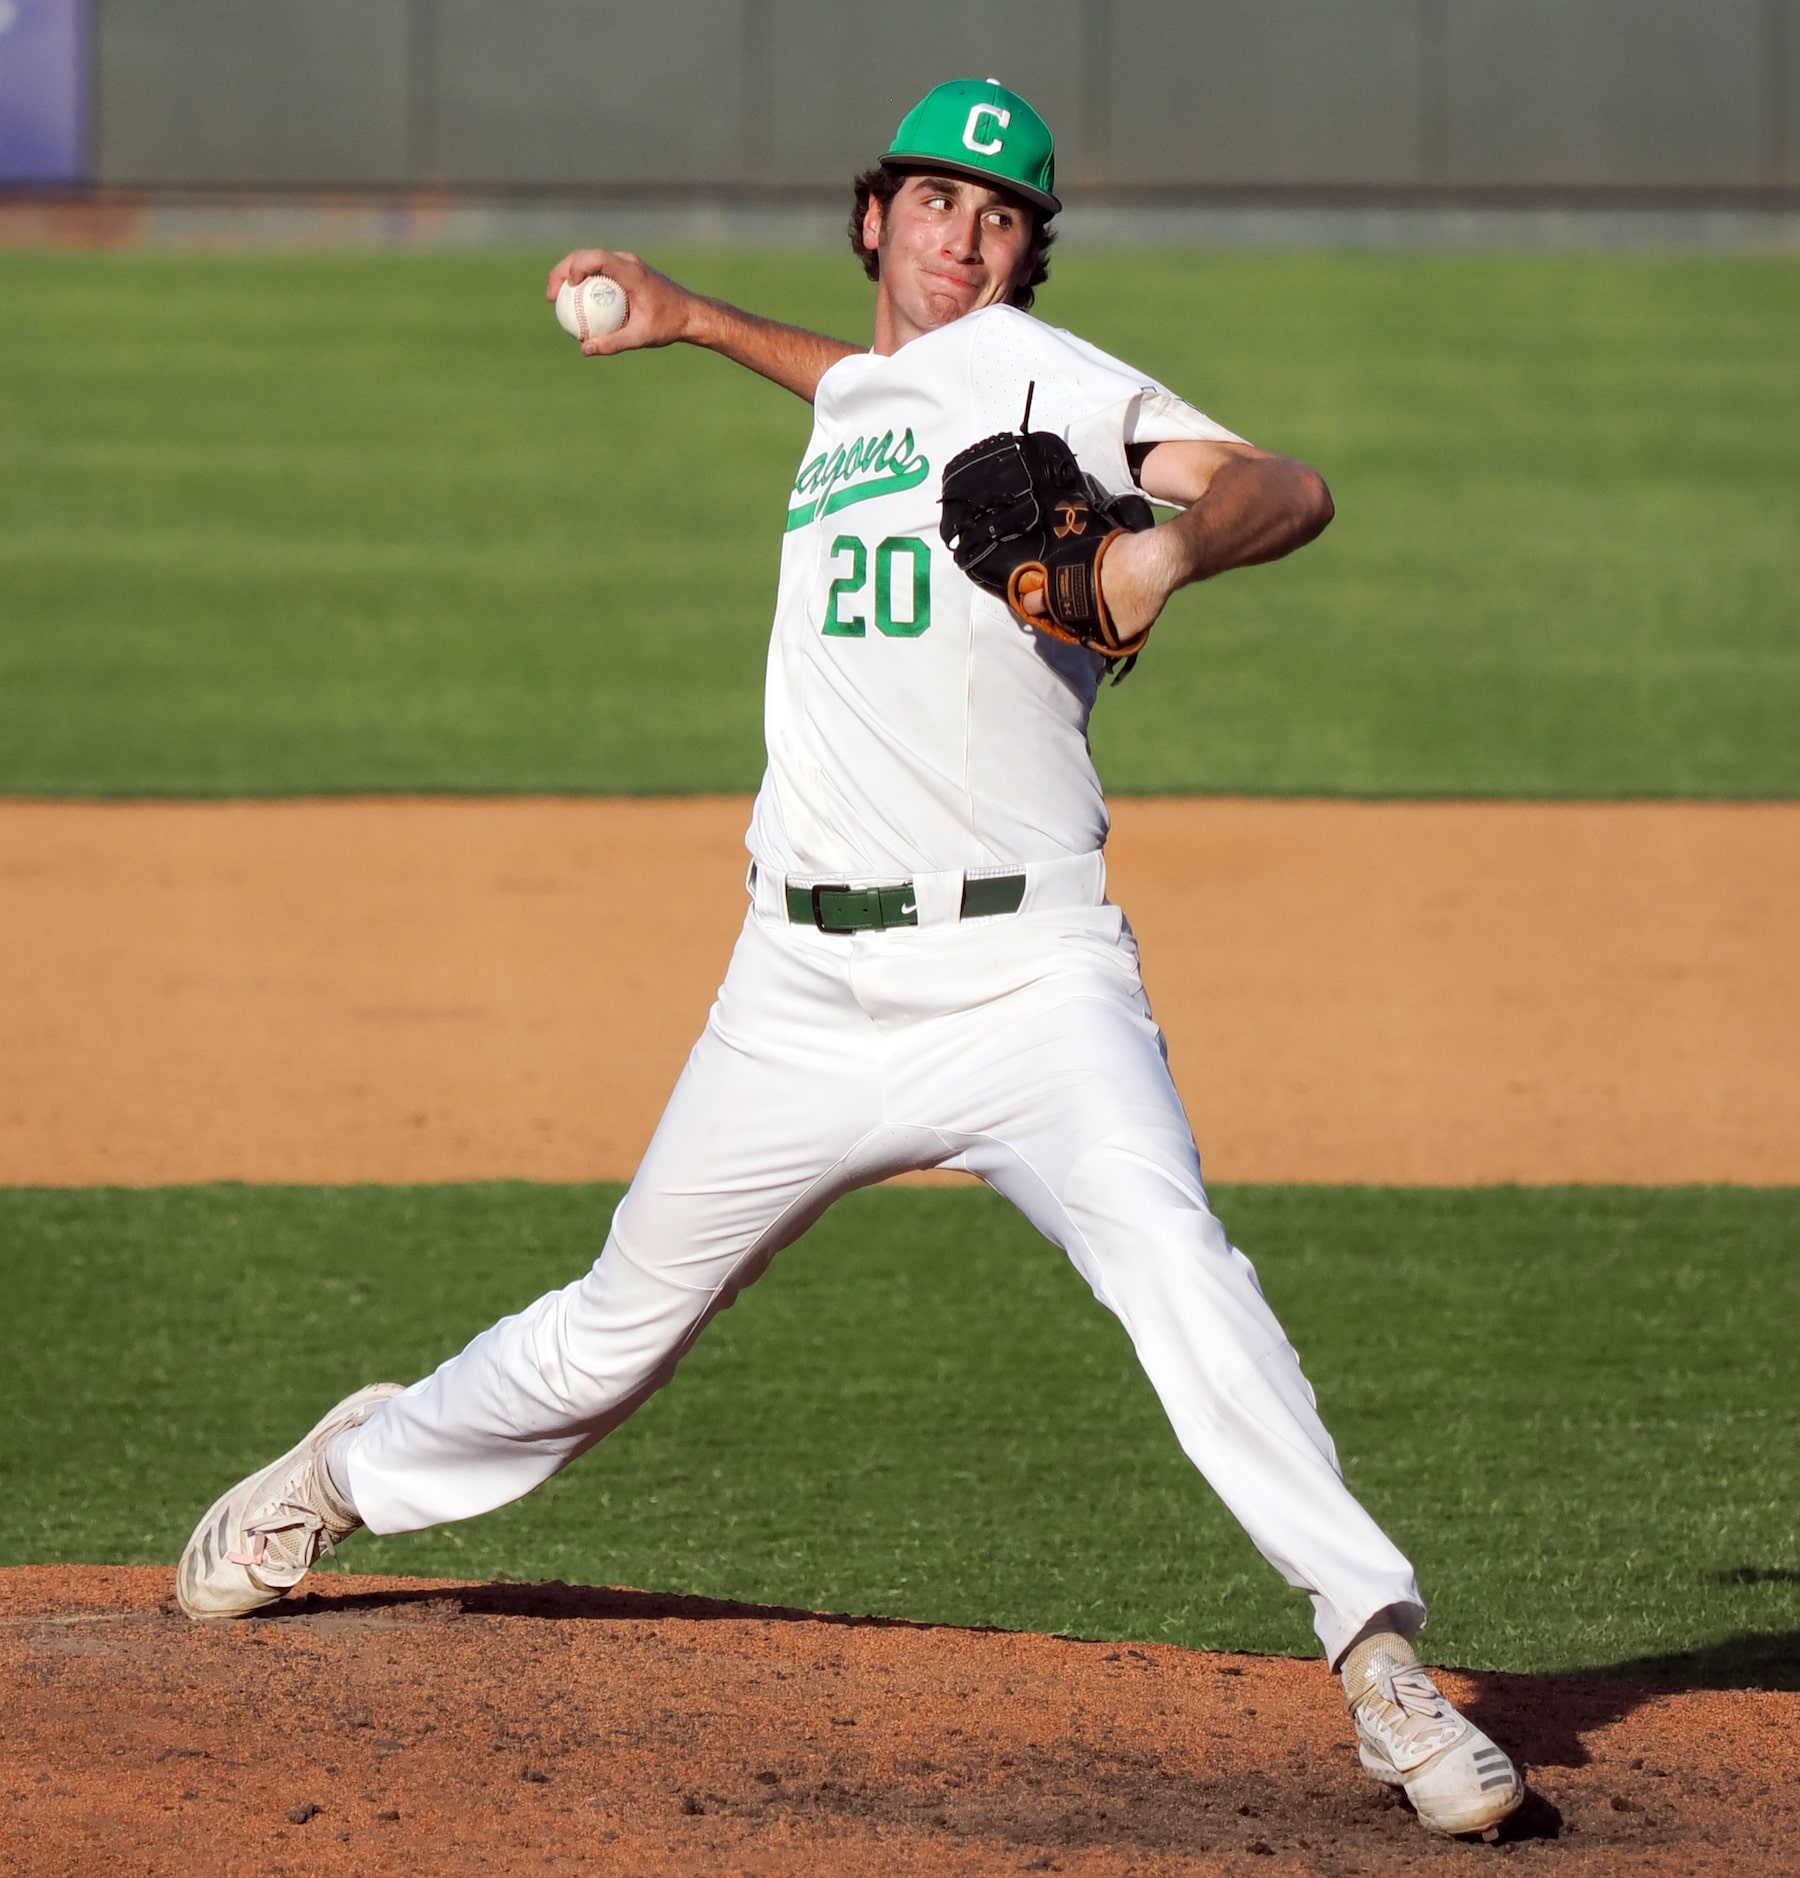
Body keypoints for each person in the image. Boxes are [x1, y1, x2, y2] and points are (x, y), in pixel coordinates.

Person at [175, 79, 1523, 1840]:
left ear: (1033, 252)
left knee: (1182, 1275)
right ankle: (346, 1471)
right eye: (937, 202)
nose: (966, 236)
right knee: (602, 1342)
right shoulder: (879, 392)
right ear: (875, 215)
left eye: (1003, 214)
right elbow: (865, 384)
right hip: (796, 990)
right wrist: (687, 319)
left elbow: (1291, 483)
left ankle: (1378, 1659)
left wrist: (1166, 549)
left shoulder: (1052, 377)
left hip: (1026, 976)